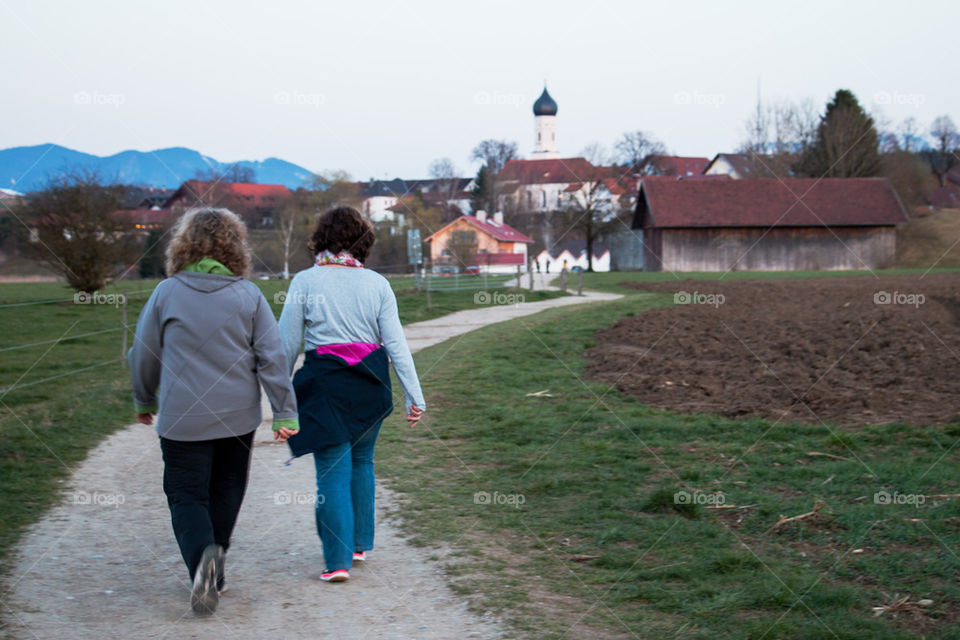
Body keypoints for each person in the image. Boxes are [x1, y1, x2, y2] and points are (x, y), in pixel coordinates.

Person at [129, 208, 299, 614]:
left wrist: (143, 398)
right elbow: (273, 358)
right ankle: (215, 564)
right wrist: (285, 412)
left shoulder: (166, 293)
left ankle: (203, 559)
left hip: (181, 419)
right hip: (237, 419)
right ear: (235, 246)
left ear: (183, 245)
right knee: (226, 489)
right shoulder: (249, 295)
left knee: (186, 494)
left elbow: (143, 353)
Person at [279, 206, 425, 583]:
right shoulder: (377, 284)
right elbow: (396, 344)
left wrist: (279, 404)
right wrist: (415, 395)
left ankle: (337, 561)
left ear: (321, 238)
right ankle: (358, 544)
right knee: (362, 462)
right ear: (365, 242)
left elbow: (286, 347)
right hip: (370, 386)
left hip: (325, 386)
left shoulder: (304, 282)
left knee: (331, 473)